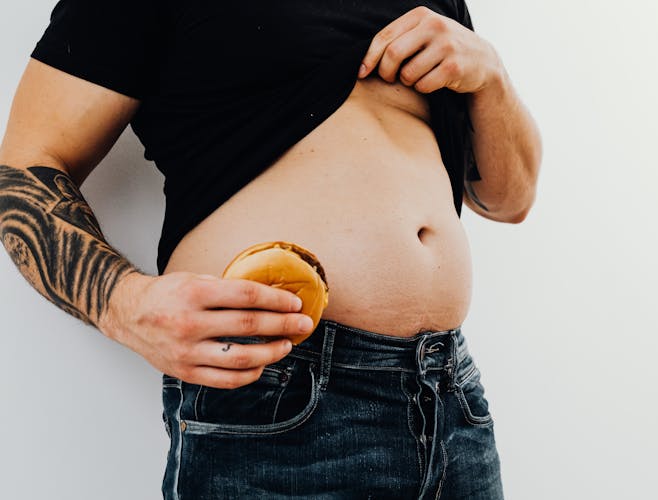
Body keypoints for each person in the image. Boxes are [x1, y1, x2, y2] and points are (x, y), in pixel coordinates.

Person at [0, 0, 541, 498]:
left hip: (449, 396)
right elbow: (23, 166)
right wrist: (121, 303)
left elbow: (508, 199)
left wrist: (490, 77)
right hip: (279, 392)